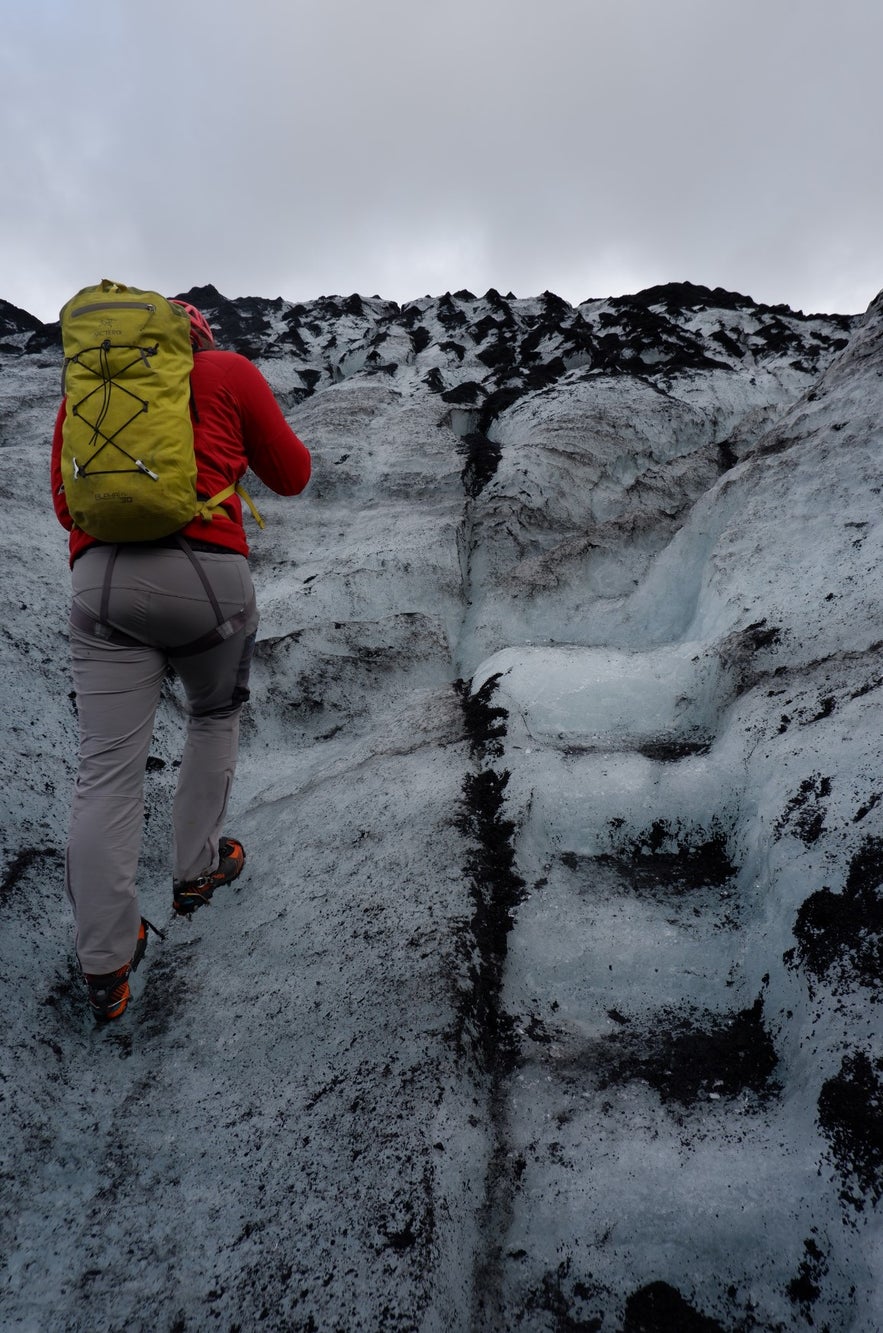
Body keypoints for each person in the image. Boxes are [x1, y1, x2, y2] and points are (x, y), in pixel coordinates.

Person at [51, 299, 311, 1022]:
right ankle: (196, 869)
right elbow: (292, 474)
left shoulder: (90, 389)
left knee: (106, 766)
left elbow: (63, 504)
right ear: (200, 335)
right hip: (208, 578)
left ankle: (105, 964)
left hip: (100, 585)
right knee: (213, 715)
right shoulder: (228, 370)